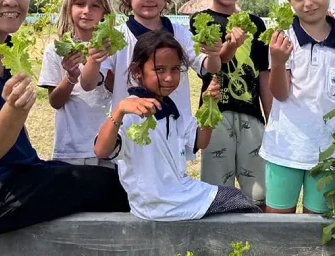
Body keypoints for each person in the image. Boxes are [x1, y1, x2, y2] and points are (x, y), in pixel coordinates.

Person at [0, 0, 129, 238]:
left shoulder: (3, 47)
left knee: (117, 181)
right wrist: (15, 108)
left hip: (13, 175)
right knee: (122, 188)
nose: (10, 1)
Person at [94, 30, 261, 221]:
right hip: (160, 203)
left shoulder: (171, 109)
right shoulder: (131, 110)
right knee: (240, 203)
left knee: (240, 202)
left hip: (179, 195)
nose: (169, 78)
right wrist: (119, 111)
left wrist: (209, 107)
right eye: (159, 70)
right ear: (136, 71)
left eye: (175, 69)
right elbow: (101, 151)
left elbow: (201, 141)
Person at [80, 0, 222, 118]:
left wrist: (214, 54)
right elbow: (87, 84)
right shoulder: (115, 37)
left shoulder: (180, 34)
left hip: (174, 133)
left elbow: (212, 67)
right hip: (130, 131)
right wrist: (94, 60)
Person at [190, 0, 272, 209]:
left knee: (259, 190)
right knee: (217, 188)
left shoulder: (256, 24)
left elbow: (264, 74)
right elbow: (211, 66)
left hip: (251, 113)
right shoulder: (200, 21)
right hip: (215, 115)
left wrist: (271, 119)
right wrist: (230, 48)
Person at [260, 0, 335, 214]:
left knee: (318, 222)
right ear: (289, 1)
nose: (308, 3)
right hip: (286, 147)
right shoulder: (283, 39)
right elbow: (280, 93)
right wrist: (278, 62)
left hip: (328, 153)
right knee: (278, 220)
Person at [38, 0, 114, 167]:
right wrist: (70, 77)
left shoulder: (114, 49)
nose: (87, 11)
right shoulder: (56, 50)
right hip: (71, 148)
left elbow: (117, 89)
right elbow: (55, 102)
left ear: (105, 12)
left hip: (110, 145)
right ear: (69, 8)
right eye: (79, 4)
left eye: (95, 6)